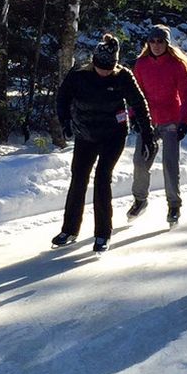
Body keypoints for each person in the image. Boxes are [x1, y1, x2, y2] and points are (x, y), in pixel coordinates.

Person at [53, 33, 156, 252]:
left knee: (102, 179)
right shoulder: (79, 74)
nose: (105, 72)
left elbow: (139, 104)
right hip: (85, 134)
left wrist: (147, 134)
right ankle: (69, 229)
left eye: (109, 68)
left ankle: (102, 233)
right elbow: (62, 98)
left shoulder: (123, 76)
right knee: (78, 178)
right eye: (101, 67)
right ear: (93, 62)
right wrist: (65, 121)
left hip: (113, 135)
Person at [128, 24, 187, 228]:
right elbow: (134, 93)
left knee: (169, 163)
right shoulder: (141, 64)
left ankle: (174, 205)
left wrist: (184, 121)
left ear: (167, 43)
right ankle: (140, 200)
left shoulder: (176, 65)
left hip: (171, 120)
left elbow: (186, 95)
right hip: (148, 120)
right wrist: (134, 116)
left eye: (160, 41)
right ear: (148, 43)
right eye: (153, 41)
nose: (156, 45)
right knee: (140, 161)